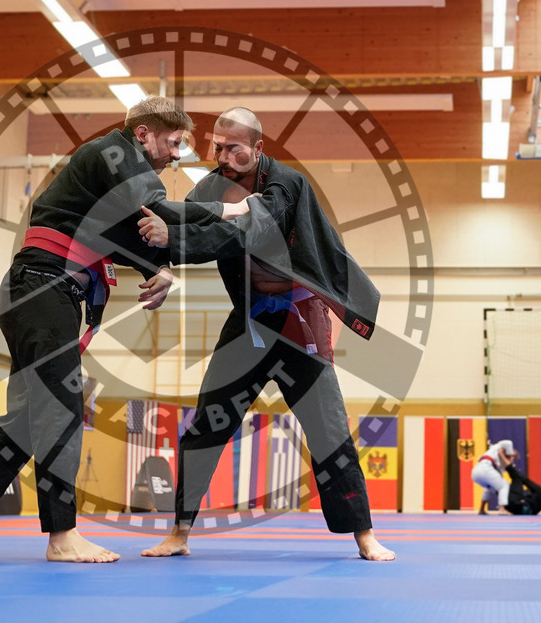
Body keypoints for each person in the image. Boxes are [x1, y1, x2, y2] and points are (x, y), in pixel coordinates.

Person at [0, 97, 250, 563]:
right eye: (173, 143)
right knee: (60, 408)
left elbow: (131, 232)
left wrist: (162, 267)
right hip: (43, 289)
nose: (177, 155)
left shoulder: (110, 180)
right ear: (143, 134)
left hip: (40, 292)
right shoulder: (109, 154)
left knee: (30, 417)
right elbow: (157, 217)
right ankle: (62, 535)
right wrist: (233, 212)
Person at [137, 107, 393, 561]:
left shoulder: (287, 185)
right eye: (217, 146)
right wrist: (160, 255)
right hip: (251, 320)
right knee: (207, 422)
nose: (223, 155)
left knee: (329, 427)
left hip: (299, 316)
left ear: (257, 148)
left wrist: (175, 241)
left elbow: (248, 229)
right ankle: (179, 532)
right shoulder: (212, 187)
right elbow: (187, 222)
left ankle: (364, 534)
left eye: (234, 148)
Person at [471, 439, 515, 515]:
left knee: (488, 488)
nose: (512, 457)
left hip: (477, 471)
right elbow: (508, 442)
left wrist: (508, 458)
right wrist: (509, 453)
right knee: (504, 486)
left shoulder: (498, 457)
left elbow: (505, 468)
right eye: (512, 455)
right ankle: (502, 509)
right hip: (485, 467)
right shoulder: (498, 447)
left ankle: (481, 510)